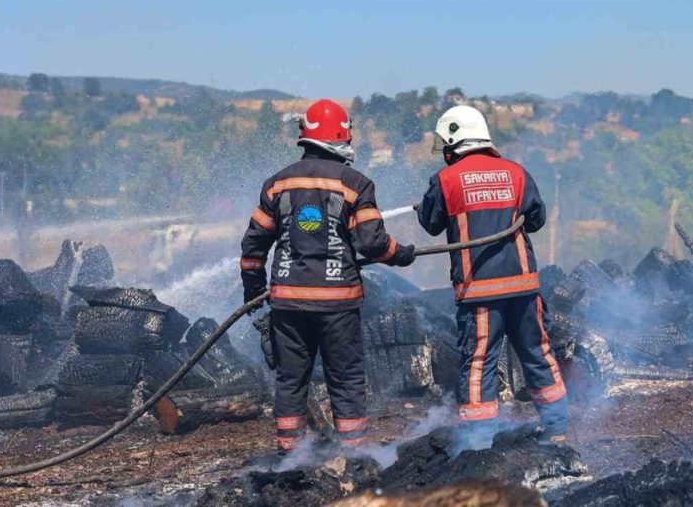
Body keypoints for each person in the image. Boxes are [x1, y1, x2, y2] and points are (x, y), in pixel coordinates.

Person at [240, 99, 416, 453]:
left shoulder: (277, 184)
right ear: (342, 138)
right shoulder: (356, 183)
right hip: (338, 304)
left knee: (291, 380)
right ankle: (353, 454)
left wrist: (253, 290)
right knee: (346, 378)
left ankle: (291, 458)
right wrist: (402, 255)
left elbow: (253, 245)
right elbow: (372, 242)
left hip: (288, 304)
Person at [416, 105, 568, 441]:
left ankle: (480, 440)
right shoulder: (516, 172)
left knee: (479, 361)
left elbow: (429, 224)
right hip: (524, 288)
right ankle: (556, 429)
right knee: (537, 352)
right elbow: (537, 220)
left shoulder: (445, 180)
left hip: (480, 291)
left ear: (454, 141)